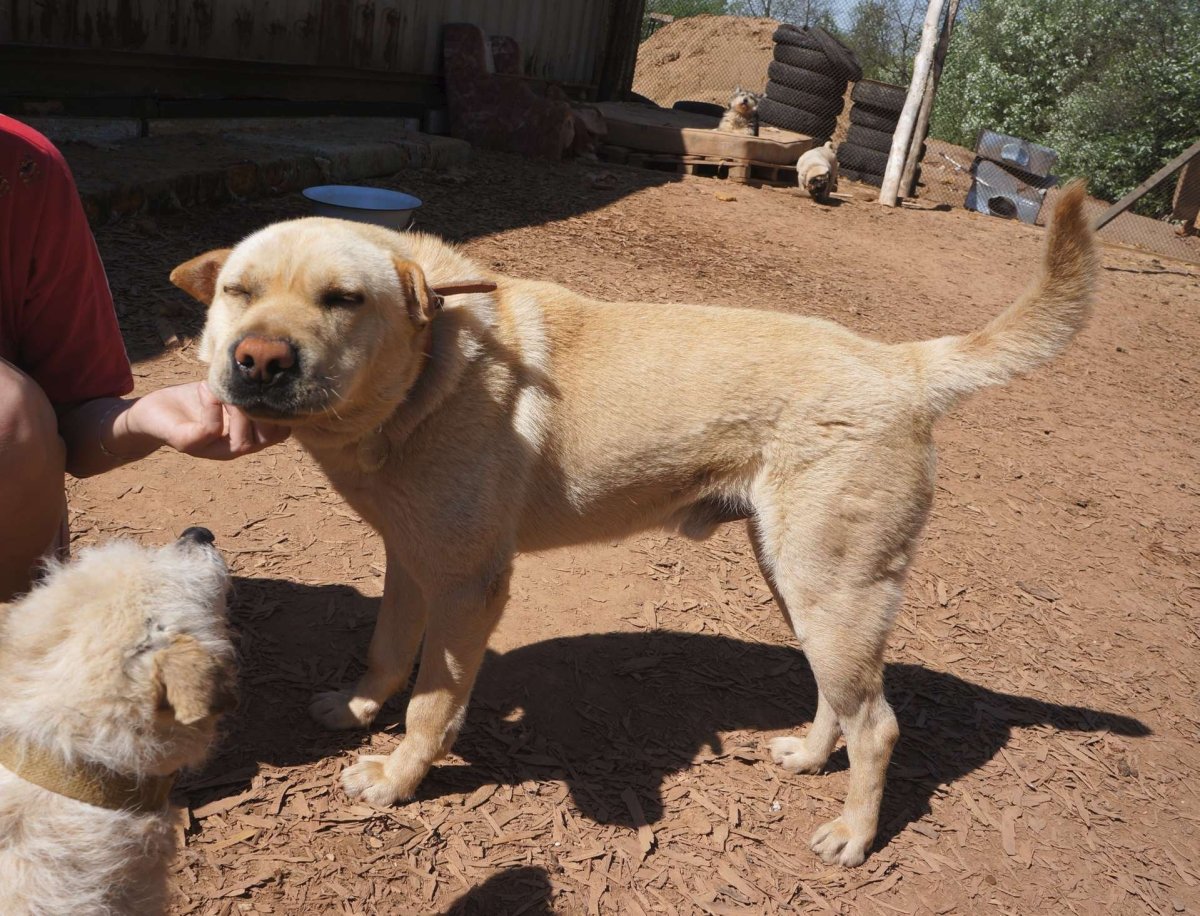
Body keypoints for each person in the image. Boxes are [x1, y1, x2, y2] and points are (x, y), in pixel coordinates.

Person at [0, 115, 288, 602]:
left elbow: (68, 420)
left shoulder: (22, 168)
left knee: (9, 410)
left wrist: (141, 420)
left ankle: (15, 625)